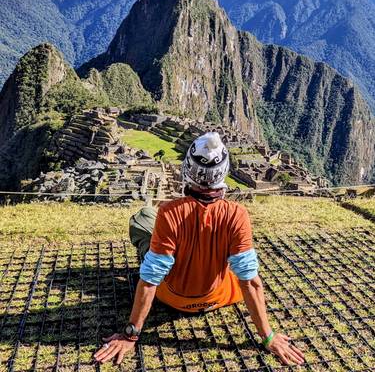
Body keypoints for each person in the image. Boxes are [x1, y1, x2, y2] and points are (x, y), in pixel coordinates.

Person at [94, 132, 305, 366]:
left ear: (188, 169)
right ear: (224, 172)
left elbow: (150, 279)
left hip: (172, 298)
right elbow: (250, 282)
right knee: (239, 262)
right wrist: (268, 337)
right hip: (220, 297)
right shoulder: (237, 215)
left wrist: (130, 335)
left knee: (143, 218)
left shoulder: (169, 212)